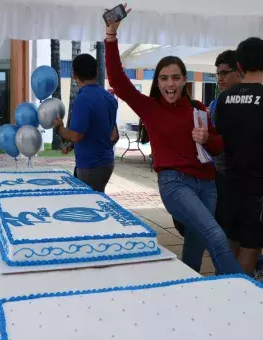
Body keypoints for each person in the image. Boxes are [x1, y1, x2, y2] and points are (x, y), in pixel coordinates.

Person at [104, 4, 243, 275]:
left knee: (196, 241)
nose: (170, 83)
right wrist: (111, 36)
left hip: (207, 184)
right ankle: (241, 290)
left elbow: (218, 146)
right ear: (157, 82)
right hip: (175, 183)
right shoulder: (150, 107)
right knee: (215, 235)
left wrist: (205, 138)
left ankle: (187, 286)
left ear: (183, 81)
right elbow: (118, 81)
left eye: (176, 77)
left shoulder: (198, 108)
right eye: (164, 78)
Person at [172, 50, 242, 271]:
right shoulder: (215, 103)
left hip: (229, 178)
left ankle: (230, 280)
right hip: (217, 176)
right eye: (217, 73)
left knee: (220, 234)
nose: (220, 79)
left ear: (239, 72)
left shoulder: (224, 102)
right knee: (219, 233)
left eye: (225, 73)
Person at [215, 37, 263, 278]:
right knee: (249, 253)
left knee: (230, 247)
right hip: (257, 189)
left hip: (229, 184)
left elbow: (219, 143)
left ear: (240, 66)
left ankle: (224, 292)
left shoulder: (223, 99)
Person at [54, 53, 117, 193]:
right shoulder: (109, 97)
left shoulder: (83, 99)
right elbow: (113, 135)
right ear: (97, 72)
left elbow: (77, 135)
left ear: (74, 74)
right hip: (106, 162)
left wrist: (59, 128)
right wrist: (72, 146)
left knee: (89, 207)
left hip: (90, 166)